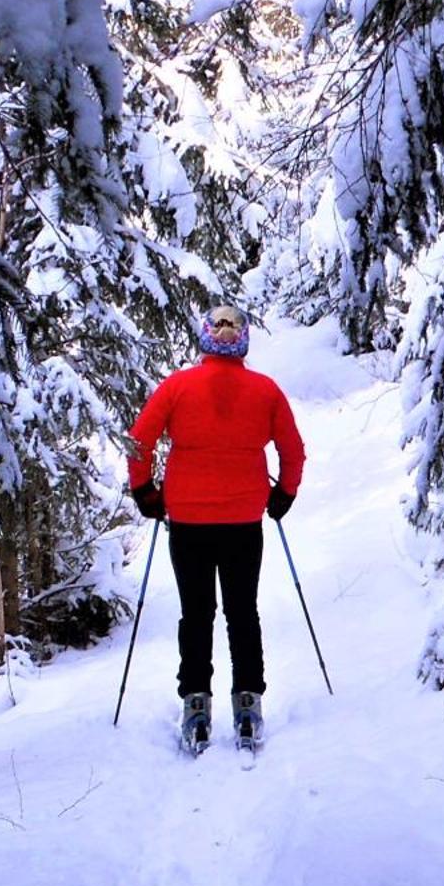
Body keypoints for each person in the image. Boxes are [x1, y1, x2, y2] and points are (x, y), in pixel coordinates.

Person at [127, 304, 305, 751]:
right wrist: (284, 493)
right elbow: (293, 450)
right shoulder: (264, 390)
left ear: (205, 335)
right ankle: (248, 702)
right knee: (242, 612)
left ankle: (196, 703)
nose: (225, 330)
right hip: (243, 520)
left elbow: (139, 442)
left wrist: (145, 491)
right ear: (241, 339)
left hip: (188, 520)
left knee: (197, 612)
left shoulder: (177, 386)